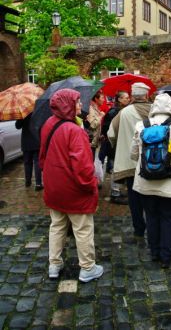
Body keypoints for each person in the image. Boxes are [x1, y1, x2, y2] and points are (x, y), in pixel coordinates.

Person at [39, 88, 103, 283]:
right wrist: (90, 186)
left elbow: (42, 158)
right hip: (74, 189)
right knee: (82, 228)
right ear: (67, 105)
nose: (81, 104)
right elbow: (83, 167)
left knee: (57, 226)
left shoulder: (48, 124)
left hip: (55, 187)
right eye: (77, 102)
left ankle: (54, 264)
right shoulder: (75, 131)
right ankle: (87, 268)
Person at [130, 93, 171, 268]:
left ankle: (154, 253)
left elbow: (133, 155)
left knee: (151, 217)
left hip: (145, 182)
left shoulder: (141, 125)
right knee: (170, 218)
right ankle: (165, 257)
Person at [108, 82, 152, 237]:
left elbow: (111, 134)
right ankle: (153, 228)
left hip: (130, 162)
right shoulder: (154, 111)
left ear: (133, 96)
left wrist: (120, 144)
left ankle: (138, 228)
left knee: (134, 198)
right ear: (146, 95)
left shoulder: (124, 112)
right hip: (151, 162)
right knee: (151, 195)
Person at [100, 91, 130, 204]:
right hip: (114, 145)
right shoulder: (114, 112)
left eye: (128, 97)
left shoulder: (122, 111)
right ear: (119, 100)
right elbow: (107, 130)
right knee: (115, 168)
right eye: (125, 98)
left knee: (119, 168)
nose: (128, 99)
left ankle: (117, 190)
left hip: (119, 144)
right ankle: (115, 193)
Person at [15, 113, 43, 191]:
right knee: (37, 162)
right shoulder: (38, 112)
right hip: (36, 141)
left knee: (27, 163)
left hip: (26, 142)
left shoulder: (23, 114)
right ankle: (38, 183)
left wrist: (20, 118)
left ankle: (28, 181)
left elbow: (17, 126)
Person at [86, 90, 105, 159]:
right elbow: (93, 125)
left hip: (94, 142)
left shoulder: (96, 109)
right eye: (102, 98)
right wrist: (101, 116)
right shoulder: (91, 109)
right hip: (90, 142)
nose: (104, 100)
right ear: (96, 99)